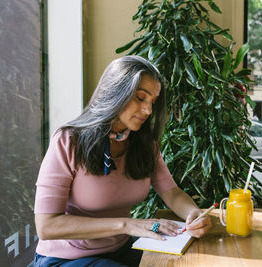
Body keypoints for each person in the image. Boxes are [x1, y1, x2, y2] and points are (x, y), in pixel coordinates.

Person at [33, 56, 212, 266]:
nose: (148, 111)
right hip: (65, 259)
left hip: (121, 249)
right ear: (115, 92)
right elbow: (46, 226)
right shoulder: (68, 141)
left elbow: (172, 193)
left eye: (152, 102)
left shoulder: (144, 145)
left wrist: (194, 214)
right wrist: (126, 225)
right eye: (140, 98)